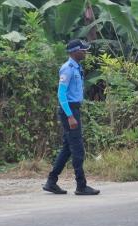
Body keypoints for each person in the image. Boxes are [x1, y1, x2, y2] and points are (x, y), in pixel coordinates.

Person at [43, 39, 100, 195]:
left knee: (68, 148)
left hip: (74, 109)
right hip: (69, 110)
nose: (85, 52)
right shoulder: (67, 69)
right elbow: (61, 94)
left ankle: (51, 181)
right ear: (75, 52)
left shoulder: (77, 67)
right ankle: (81, 186)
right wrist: (69, 115)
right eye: (83, 50)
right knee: (78, 149)